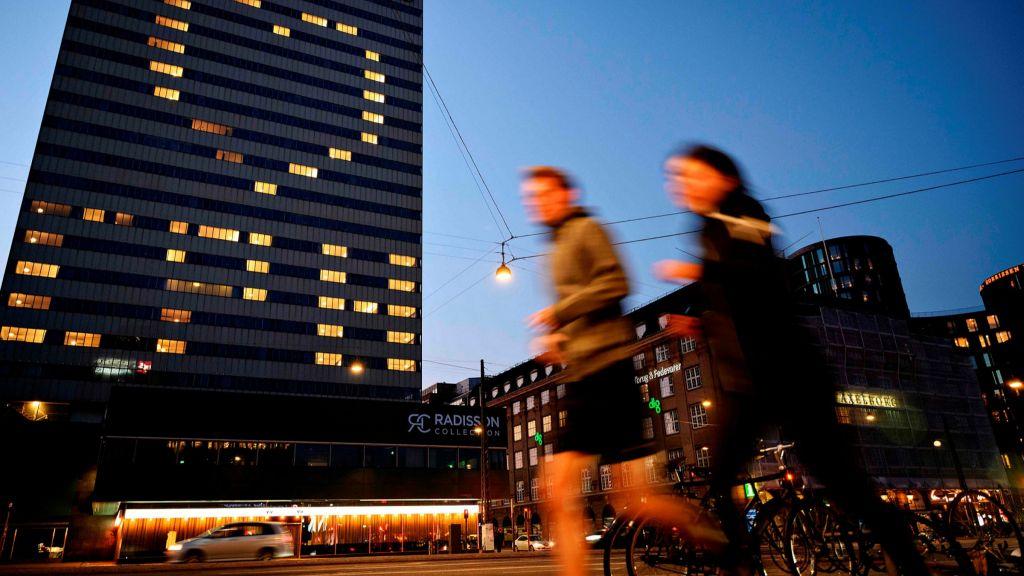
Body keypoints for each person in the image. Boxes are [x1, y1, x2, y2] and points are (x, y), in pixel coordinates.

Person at [654, 145, 930, 576]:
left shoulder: (745, 212)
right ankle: (738, 563)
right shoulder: (707, 227)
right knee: (722, 475)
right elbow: (739, 308)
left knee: (835, 474)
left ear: (724, 177)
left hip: (790, 370)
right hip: (749, 380)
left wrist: (699, 273)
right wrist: (700, 325)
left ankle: (903, 549)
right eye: (677, 177)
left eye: (692, 175)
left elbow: (757, 275)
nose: (681, 185)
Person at [520, 166, 656, 576]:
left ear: (567, 194)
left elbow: (615, 283)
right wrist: (560, 340)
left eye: (545, 194)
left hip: (608, 372)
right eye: (532, 197)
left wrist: (559, 312)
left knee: (641, 498)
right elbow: (581, 311)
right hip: (583, 376)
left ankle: (716, 542)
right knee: (556, 490)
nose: (537, 203)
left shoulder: (587, 230)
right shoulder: (554, 247)